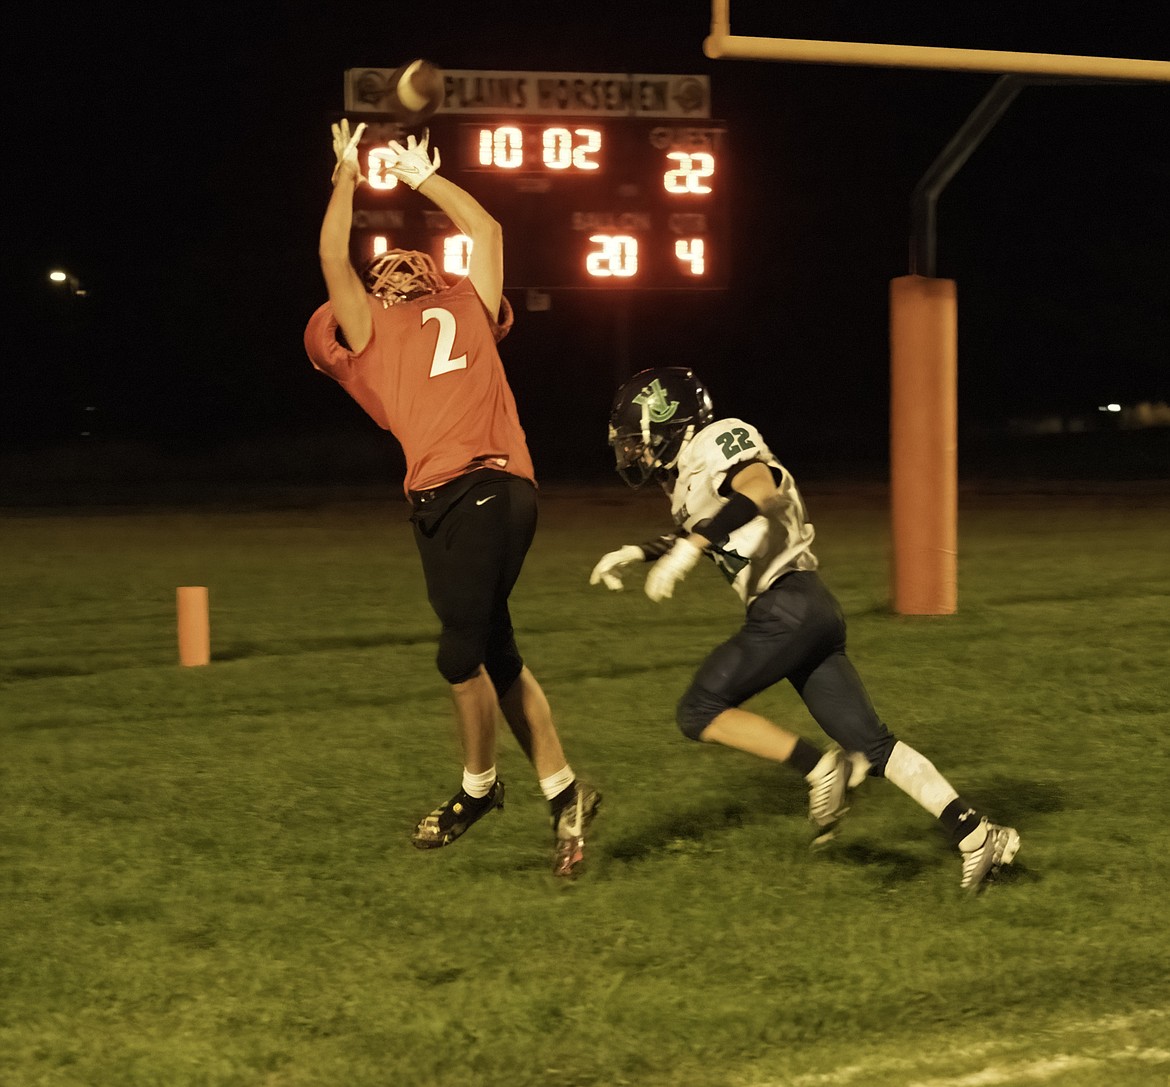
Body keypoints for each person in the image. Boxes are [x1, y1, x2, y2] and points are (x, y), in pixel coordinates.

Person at [589, 366, 1019, 892]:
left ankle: (819, 769)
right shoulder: (687, 478)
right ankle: (977, 835)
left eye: (639, 442)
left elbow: (760, 490)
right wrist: (641, 551)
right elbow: (706, 525)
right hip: (807, 611)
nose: (633, 455)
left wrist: (691, 549)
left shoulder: (717, 440)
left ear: (670, 424)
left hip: (787, 607)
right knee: (876, 745)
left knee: (697, 710)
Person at [304, 119, 599, 877]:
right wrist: (415, 179)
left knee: (456, 654)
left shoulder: (392, 322)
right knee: (495, 652)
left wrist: (350, 173)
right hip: (449, 502)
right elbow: (484, 228)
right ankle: (563, 789)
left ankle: (480, 786)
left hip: (485, 489)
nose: (400, 277)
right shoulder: (449, 307)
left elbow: (337, 253)